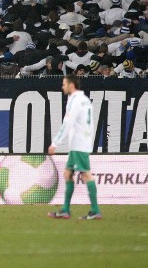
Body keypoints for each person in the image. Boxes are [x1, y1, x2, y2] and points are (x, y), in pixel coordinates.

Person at [48, 75, 101, 220]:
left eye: (64, 84)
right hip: (82, 142)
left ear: (71, 86)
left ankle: (95, 210)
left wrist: (55, 143)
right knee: (68, 174)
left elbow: (68, 122)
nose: (62, 86)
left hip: (78, 143)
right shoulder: (85, 100)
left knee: (85, 174)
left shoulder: (75, 100)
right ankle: (65, 209)